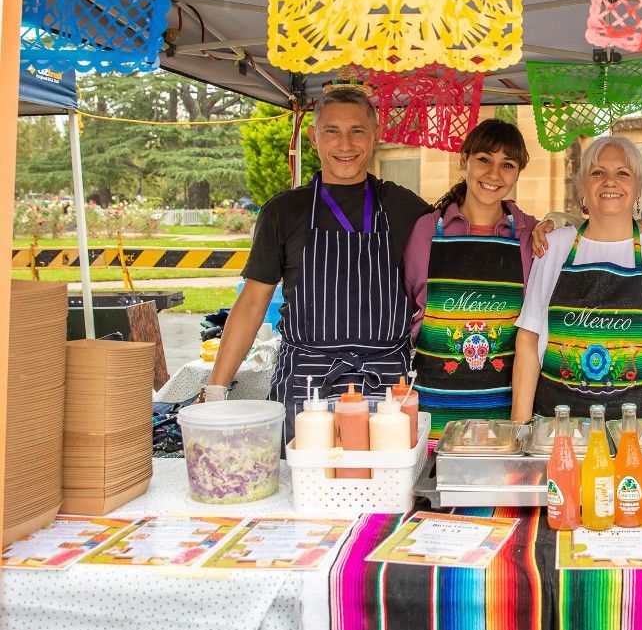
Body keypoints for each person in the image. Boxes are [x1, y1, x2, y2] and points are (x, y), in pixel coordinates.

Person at [206, 86, 427, 443]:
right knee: (303, 489)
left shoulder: (406, 208)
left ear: (376, 135)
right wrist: (216, 388)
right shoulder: (282, 212)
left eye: (357, 131)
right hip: (305, 388)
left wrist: (541, 228)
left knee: (384, 490)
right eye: (332, 131)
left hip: (388, 389)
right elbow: (251, 303)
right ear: (313, 137)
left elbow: (460, 233)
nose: (345, 144)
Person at [511, 136, 642, 422]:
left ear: (638, 187)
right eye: (597, 172)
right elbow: (528, 341)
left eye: (622, 173)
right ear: (582, 187)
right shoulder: (553, 247)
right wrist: (520, 426)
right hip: (559, 428)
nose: (610, 181)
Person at [403, 119, 539, 439]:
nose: (494, 174)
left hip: (505, 411)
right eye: (484, 160)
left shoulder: (528, 233)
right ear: (464, 160)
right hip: (432, 408)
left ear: (518, 173)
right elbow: (408, 303)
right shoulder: (427, 230)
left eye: (507, 164)